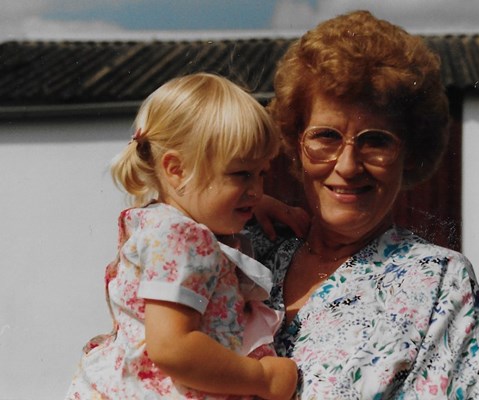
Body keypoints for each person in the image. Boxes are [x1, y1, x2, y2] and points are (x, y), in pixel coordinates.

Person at [250, 10, 479, 399]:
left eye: (376, 141)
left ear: (410, 153)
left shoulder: (436, 279)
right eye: (326, 136)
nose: (348, 165)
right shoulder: (249, 250)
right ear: (295, 142)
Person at [65, 73, 303, 400]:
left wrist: (258, 203)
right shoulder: (186, 239)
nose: (257, 189)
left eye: (262, 174)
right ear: (176, 170)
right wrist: (261, 378)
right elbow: (173, 347)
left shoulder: (156, 221)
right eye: (241, 175)